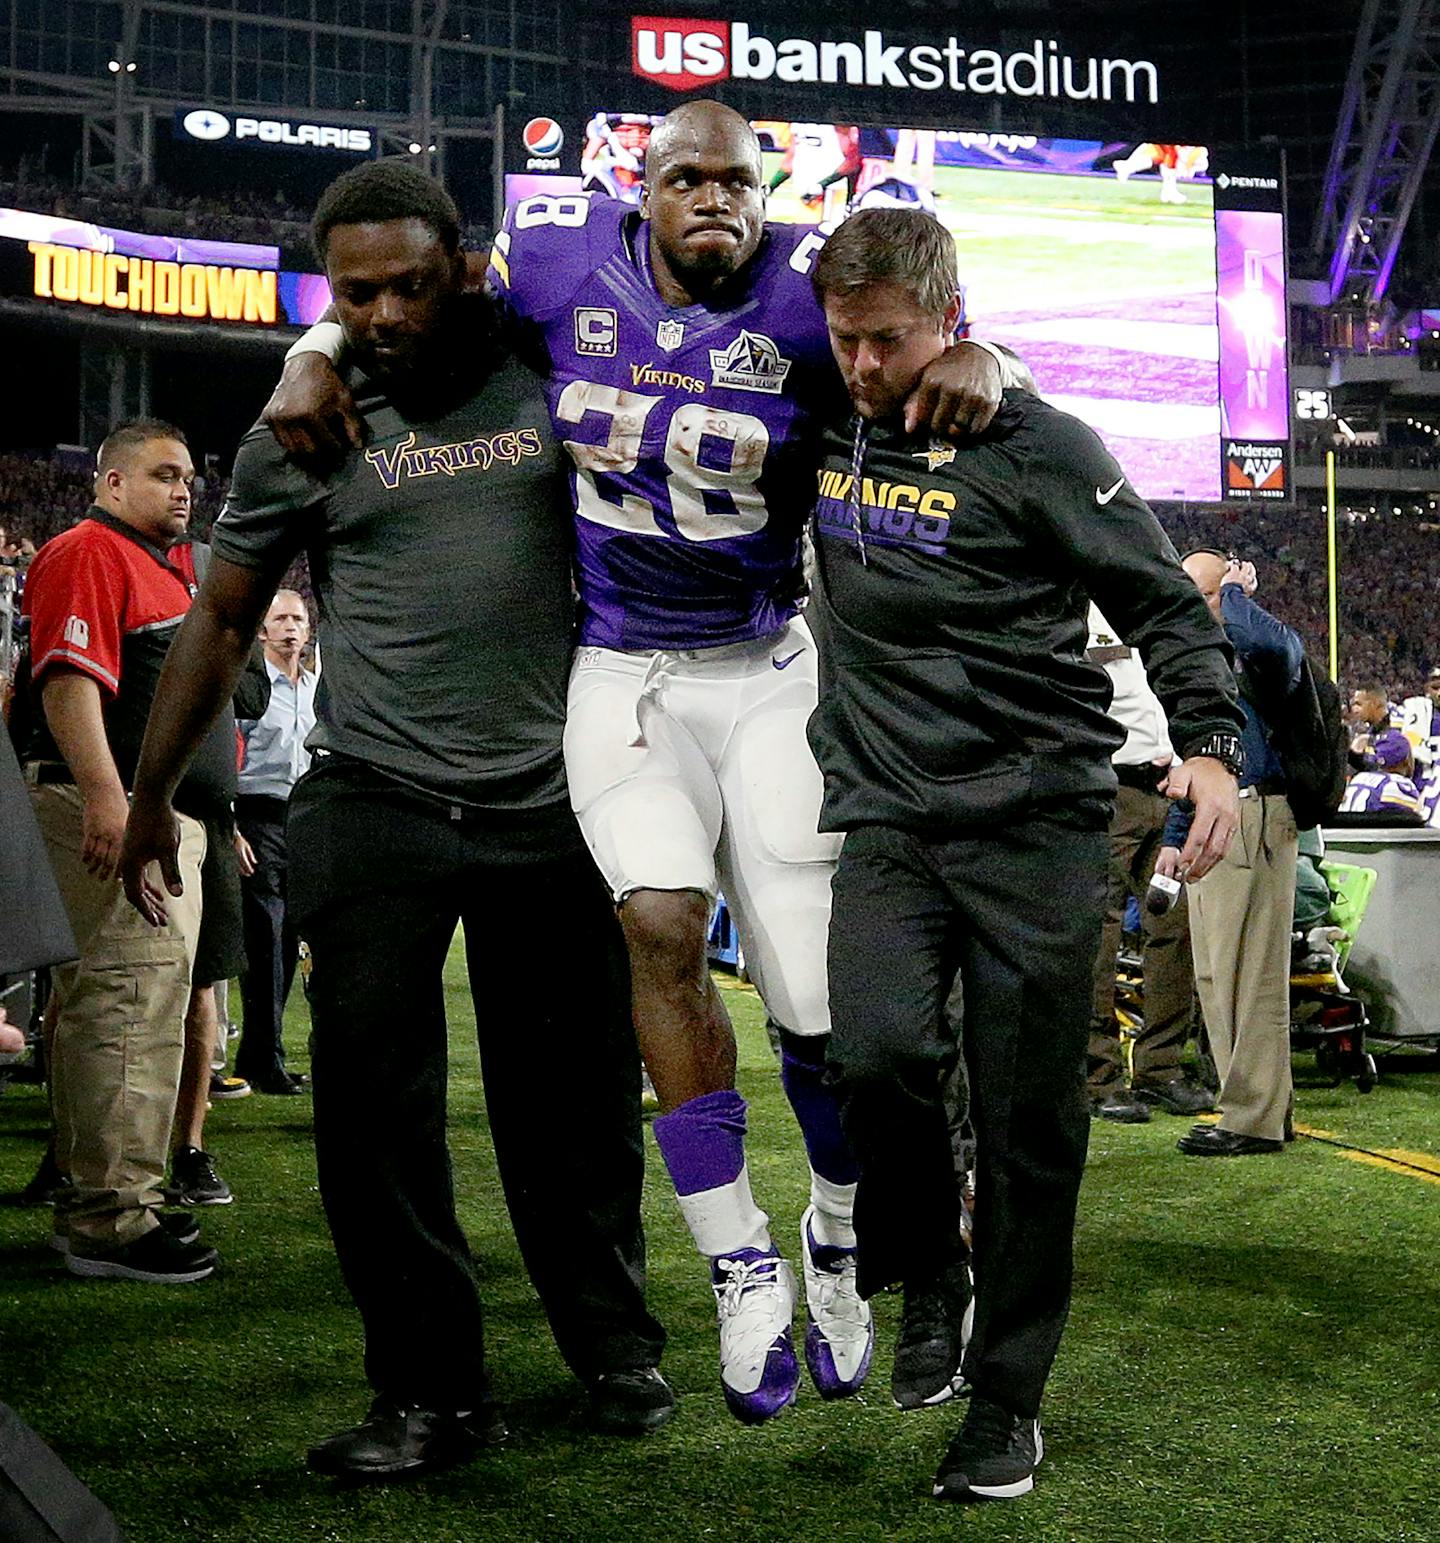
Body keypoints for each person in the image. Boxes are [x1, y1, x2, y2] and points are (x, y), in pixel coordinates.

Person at [267, 102, 1004, 1424]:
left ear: (768, 190)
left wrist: (990, 357)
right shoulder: (553, 259)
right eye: (686, 175)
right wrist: (316, 342)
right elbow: (423, 306)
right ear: (640, 187)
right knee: (658, 924)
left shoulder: (812, 287)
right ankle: (737, 1260)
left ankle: (835, 1237)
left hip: (767, 662)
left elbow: (914, 358)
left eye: (736, 178)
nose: (712, 196)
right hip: (616, 671)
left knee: (814, 1005)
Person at [119, 161, 670, 1478]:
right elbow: (221, 616)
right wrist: (144, 797)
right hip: (376, 795)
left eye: (406, 284)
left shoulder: (551, 360)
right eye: (350, 295)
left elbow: (654, 259)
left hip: (553, 802)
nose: (379, 314)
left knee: (574, 1101)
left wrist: (308, 343)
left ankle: (611, 1338)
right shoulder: (298, 431)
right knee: (376, 1114)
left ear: (462, 267)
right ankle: (429, 1388)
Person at [805, 208, 1244, 1501]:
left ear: (952, 317)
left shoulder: (1038, 442)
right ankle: (933, 1268)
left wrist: (1209, 747)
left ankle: (1006, 1400)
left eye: (890, 339)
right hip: (887, 814)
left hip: (1039, 821)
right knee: (874, 1050)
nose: (869, 365)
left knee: (1030, 1120)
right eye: (847, 340)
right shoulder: (822, 417)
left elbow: (1167, 599)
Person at [21, 419, 233, 1283]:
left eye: (189, 476)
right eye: (162, 475)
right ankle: (111, 1218)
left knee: (127, 1001)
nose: (184, 489)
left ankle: (98, 1194)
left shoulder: (158, 564)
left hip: (154, 814)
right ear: (110, 484)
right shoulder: (89, 548)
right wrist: (113, 797)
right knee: (127, 1000)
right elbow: (69, 681)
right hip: (106, 809)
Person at [1168, 553, 1303, 1160]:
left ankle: (1254, 1119)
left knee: (1252, 981)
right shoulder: (1205, 668)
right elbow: (1198, 761)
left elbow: (1261, 641)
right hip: (1216, 815)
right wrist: (1174, 836)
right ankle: (1253, 1107)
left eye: (1200, 594)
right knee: (1216, 974)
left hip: (1256, 816)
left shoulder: (1263, 649)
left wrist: (1235, 591)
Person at [1085, 605, 1211, 1123]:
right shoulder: (1076, 606)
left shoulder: (1148, 609)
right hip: (1108, 789)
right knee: (1101, 938)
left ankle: (1160, 1070)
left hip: (1169, 793)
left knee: (1174, 932)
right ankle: (1098, 1076)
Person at [232, 589, 317, 1094]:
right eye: (280, 619)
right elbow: (225, 754)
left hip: (303, 816)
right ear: (262, 631)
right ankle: (265, 1059)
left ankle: (265, 1054)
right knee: (265, 940)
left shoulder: (317, 686)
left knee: (290, 943)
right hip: (258, 815)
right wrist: (232, 826)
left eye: (298, 619)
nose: (289, 627)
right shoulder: (247, 687)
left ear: (308, 631)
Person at [1334, 726, 1426, 824]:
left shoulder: (1358, 777)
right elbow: (1413, 823)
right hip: (1373, 836)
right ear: (1406, 760)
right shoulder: (1399, 785)